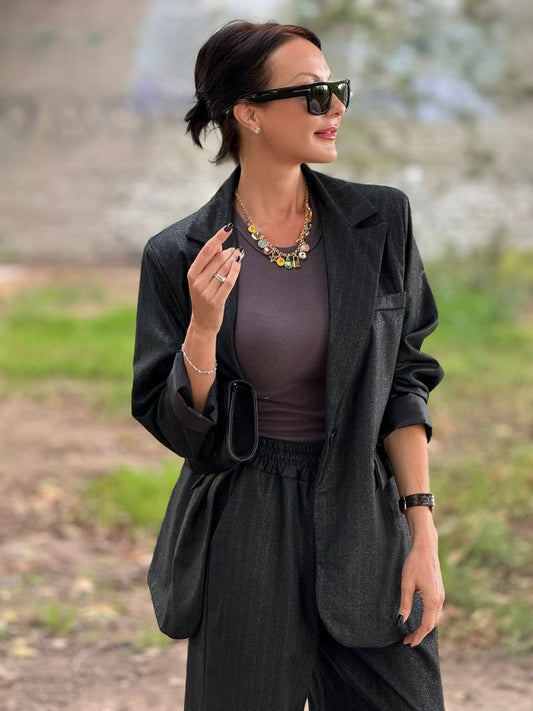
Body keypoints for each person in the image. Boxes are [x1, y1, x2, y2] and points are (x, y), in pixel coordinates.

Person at [132, 19, 446, 711]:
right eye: (311, 93)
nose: (335, 108)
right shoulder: (178, 254)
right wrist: (203, 330)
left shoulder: (380, 222)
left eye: (337, 89)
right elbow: (179, 429)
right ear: (247, 113)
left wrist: (420, 529)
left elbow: (405, 378)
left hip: (364, 512)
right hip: (244, 523)